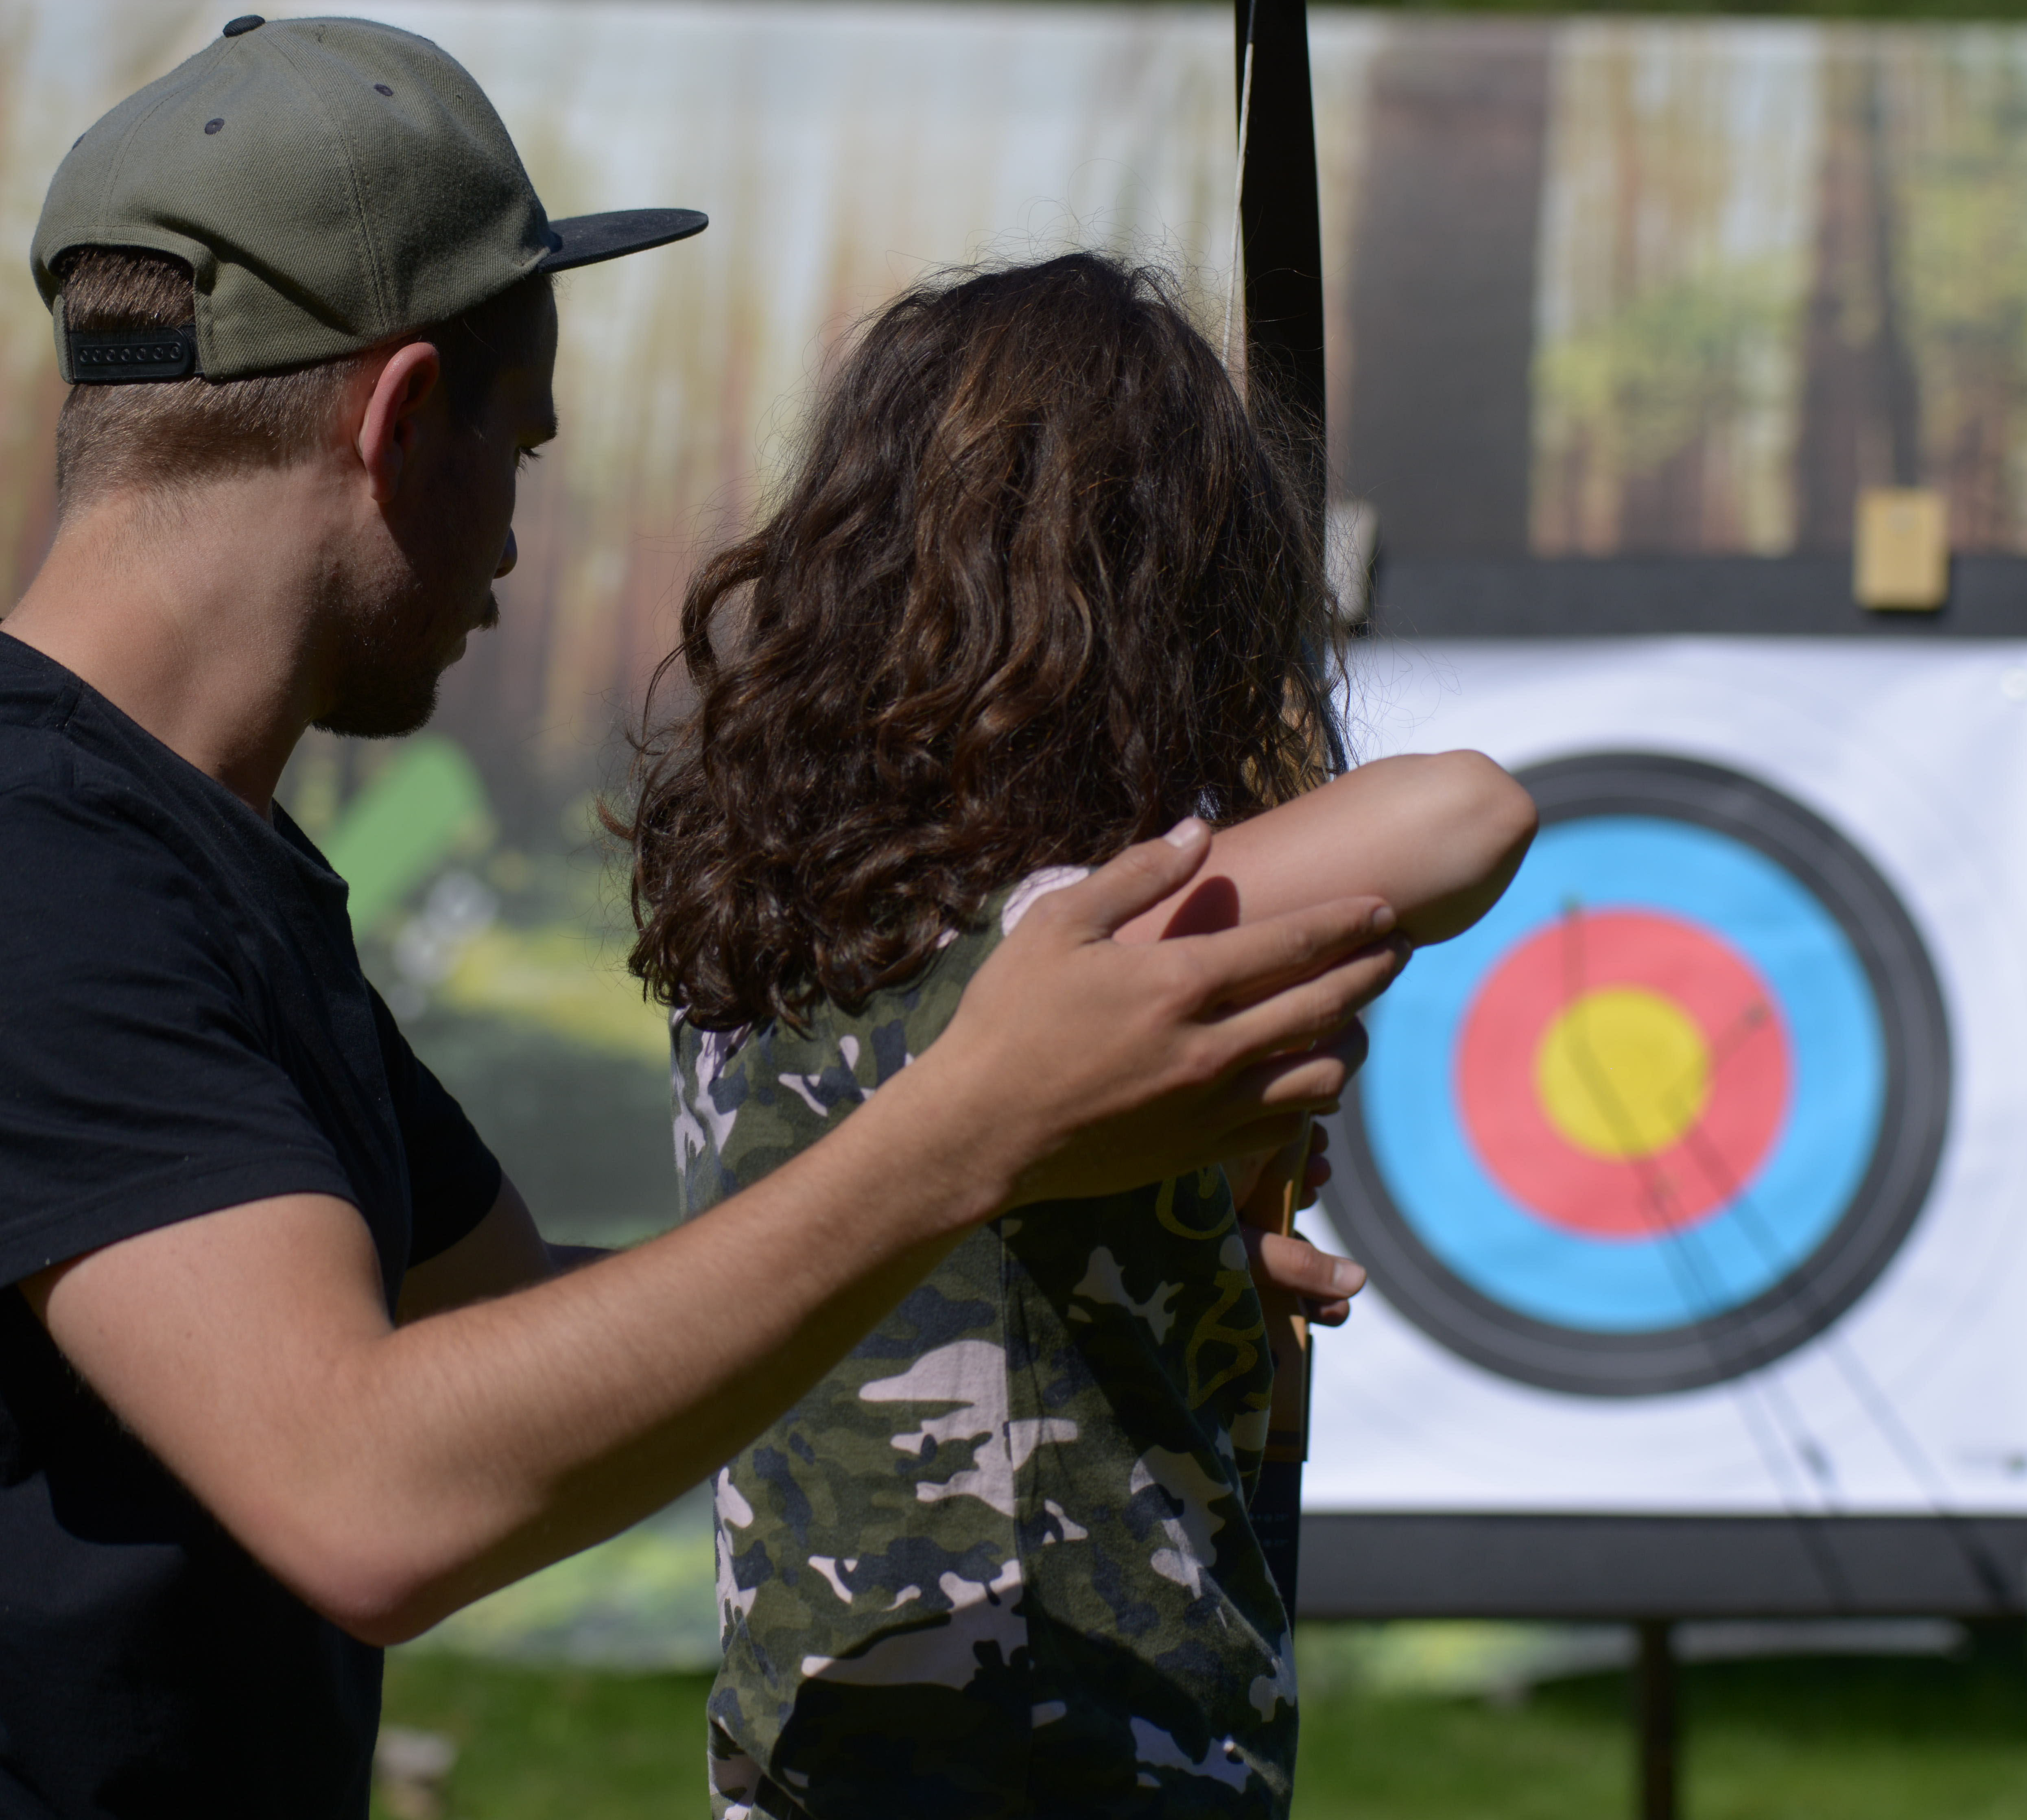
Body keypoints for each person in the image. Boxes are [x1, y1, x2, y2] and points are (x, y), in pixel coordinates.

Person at [0, 18, 1404, 1820]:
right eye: (521, 441)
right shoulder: (2, 868)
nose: (517, 533)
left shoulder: (190, 865)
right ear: (400, 418)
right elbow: (371, 1490)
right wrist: (967, 1134)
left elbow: (532, 1343)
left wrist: (1047, 1274)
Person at [624, 253, 1536, 1819]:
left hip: (811, 1758)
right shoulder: (1064, 935)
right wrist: (1228, 826)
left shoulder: (769, 935)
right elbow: (1469, 816)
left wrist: (1170, 1256)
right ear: (1167, 591)